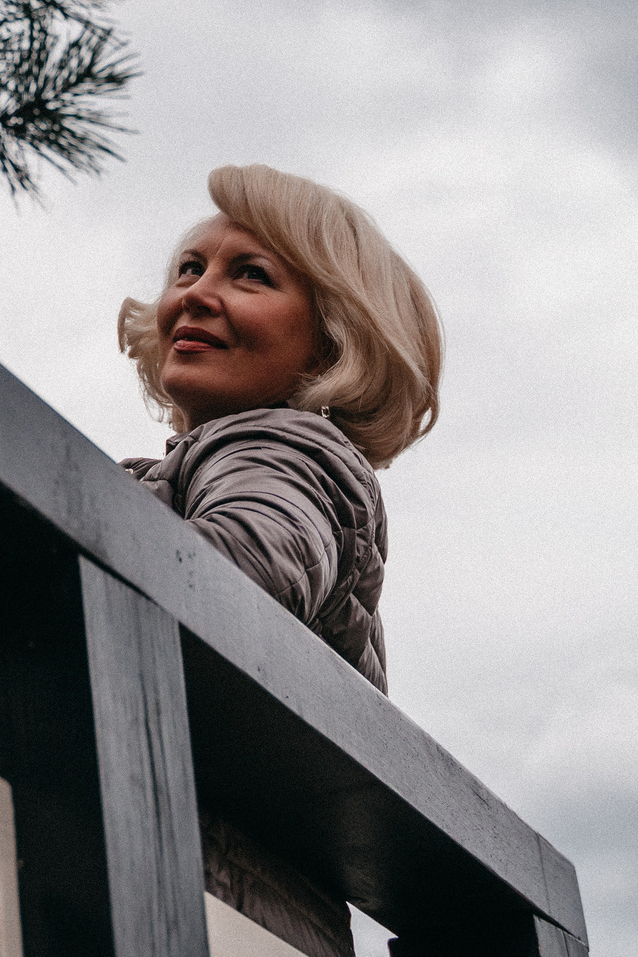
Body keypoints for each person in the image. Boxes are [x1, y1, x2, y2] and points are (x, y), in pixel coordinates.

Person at [116, 163, 442, 957]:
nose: (195, 292)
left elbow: (231, 579)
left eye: (250, 275)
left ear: (332, 335)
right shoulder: (206, 461)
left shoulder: (286, 445)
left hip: (207, 907)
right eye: (189, 268)